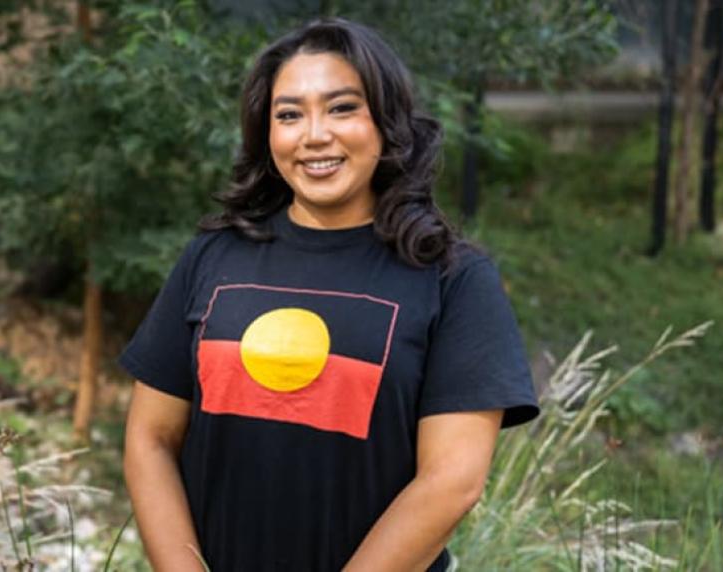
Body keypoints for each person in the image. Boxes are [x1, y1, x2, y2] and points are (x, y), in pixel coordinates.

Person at [120, 17, 539, 572]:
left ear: (386, 122)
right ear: (266, 134)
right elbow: (150, 438)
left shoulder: (453, 279)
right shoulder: (214, 256)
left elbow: (452, 482)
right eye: (289, 114)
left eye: (342, 108)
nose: (314, 135)